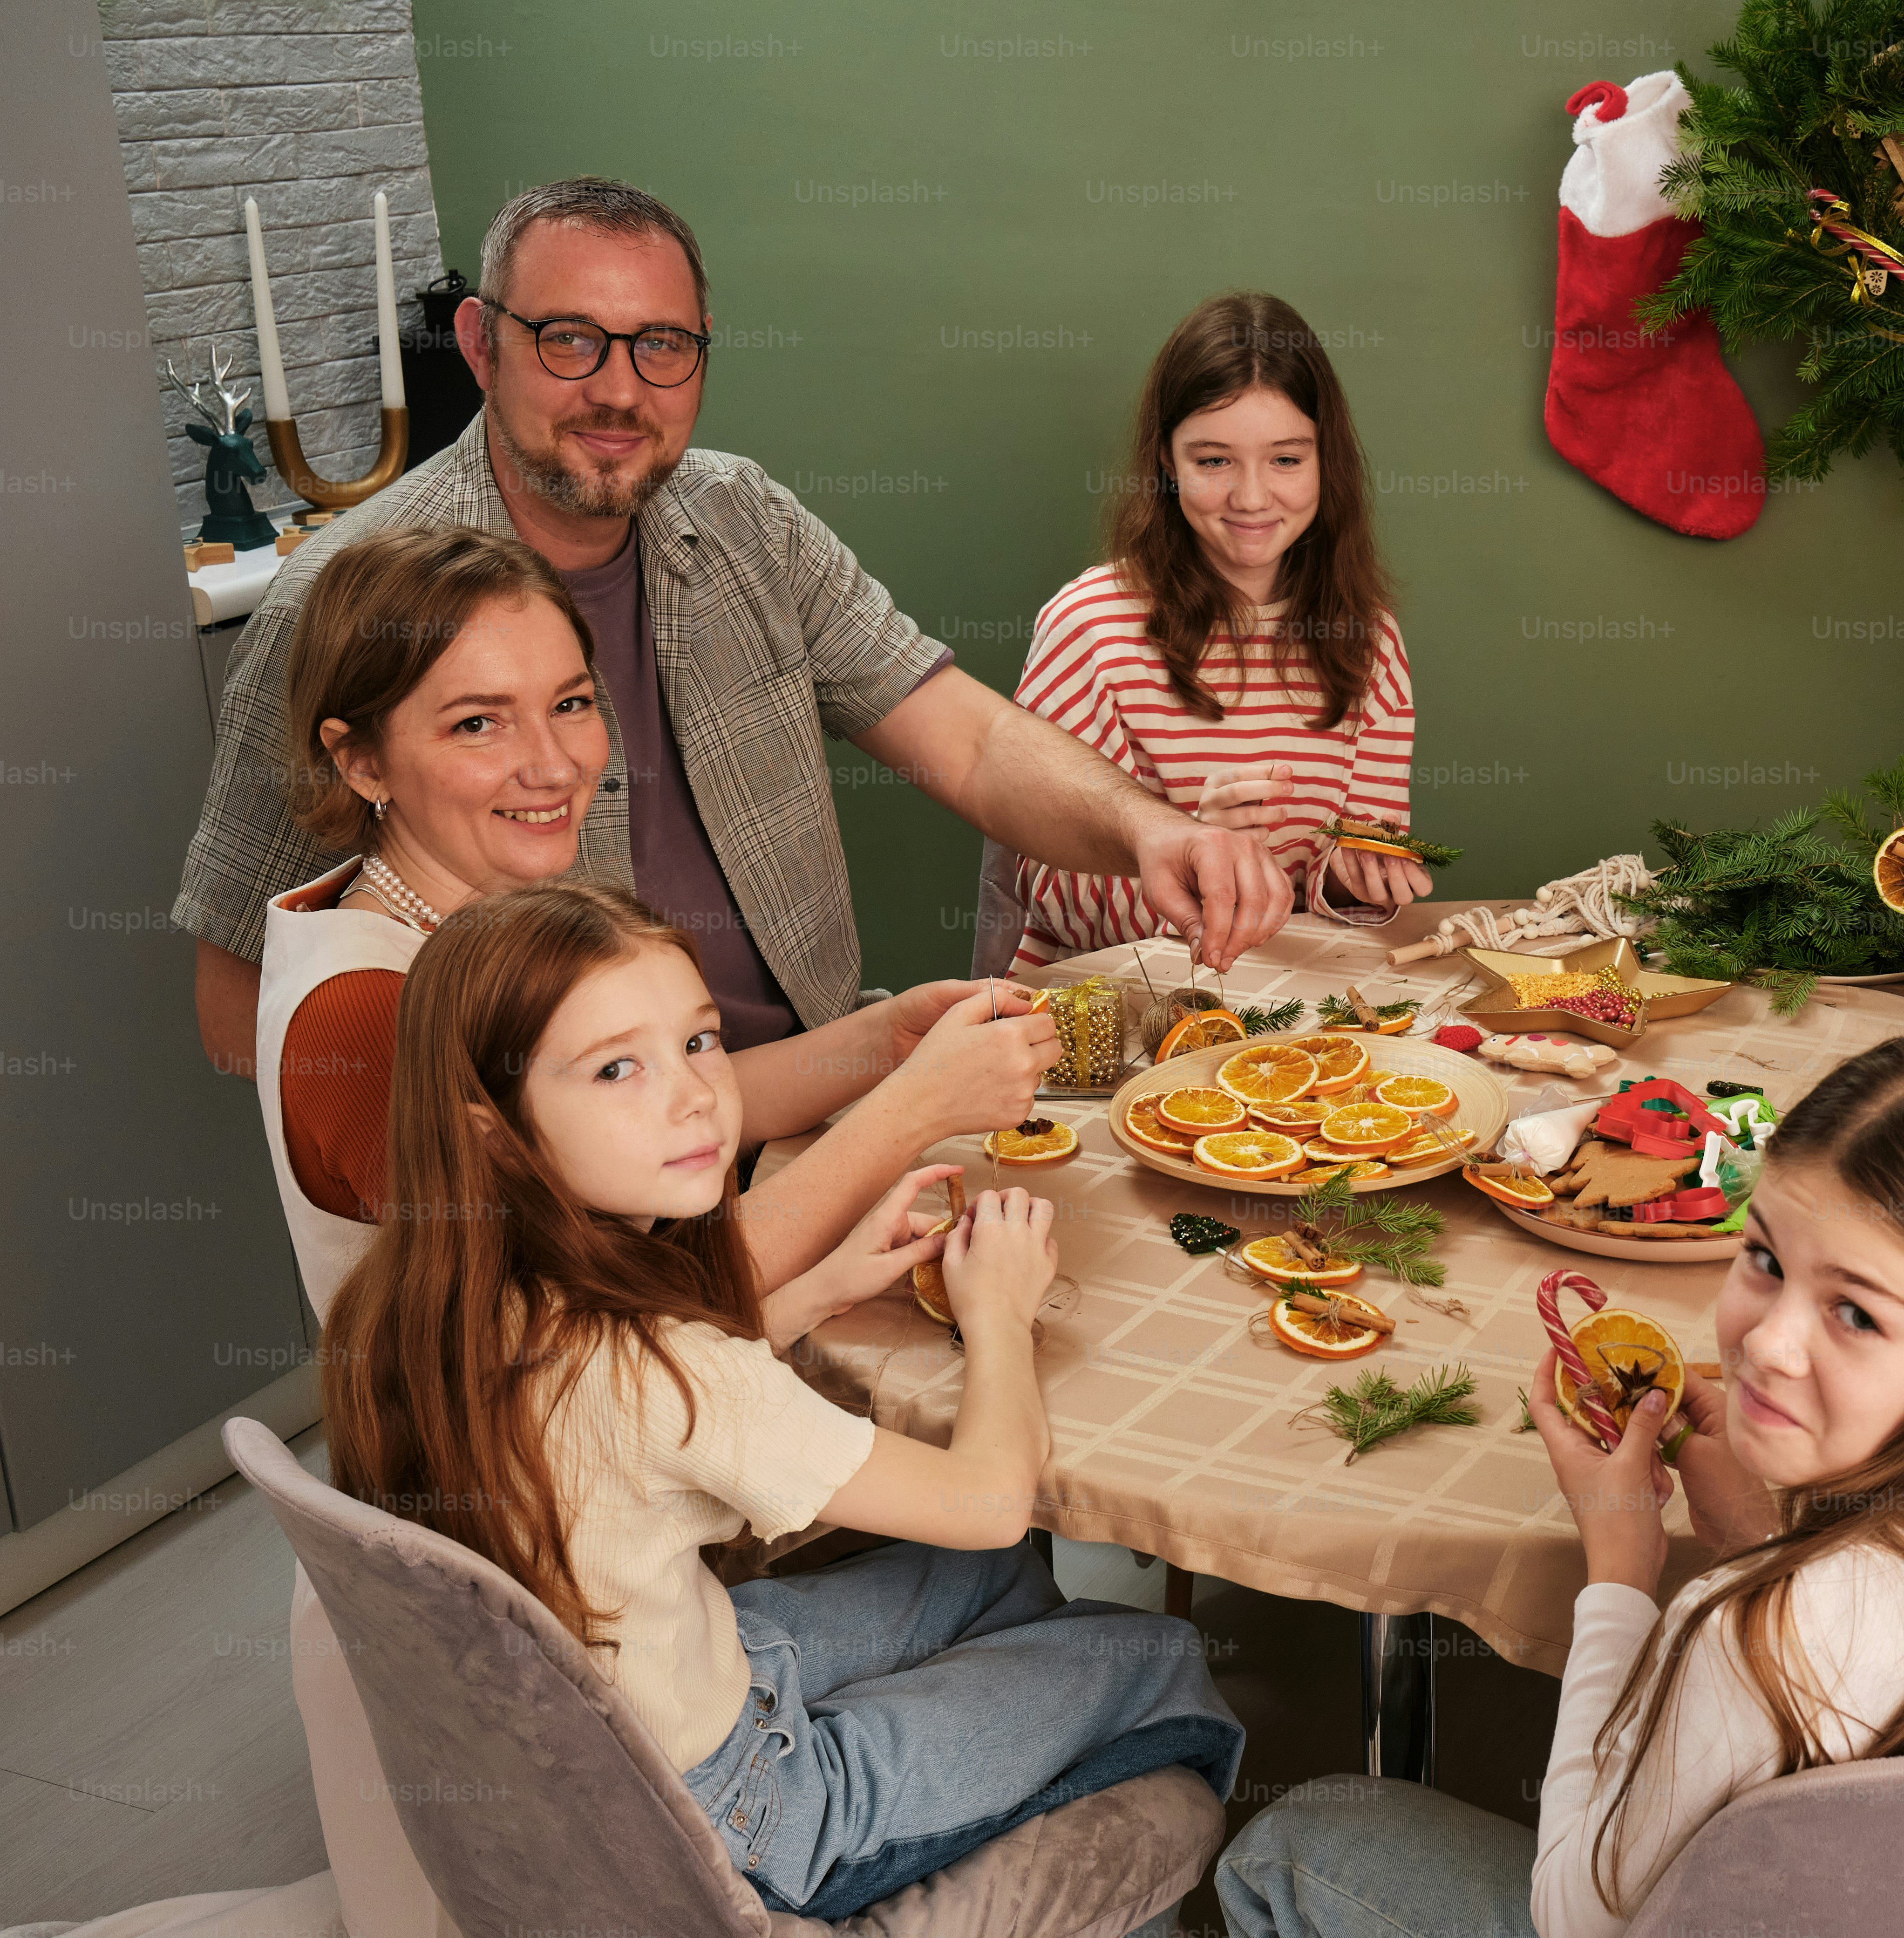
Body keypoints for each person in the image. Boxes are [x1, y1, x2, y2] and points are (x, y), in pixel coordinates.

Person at [182, 177, 1286, 1076]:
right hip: (593, 1195)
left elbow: (968, 738)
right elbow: (244, 1009)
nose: (620, 390)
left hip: (830, 1086)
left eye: (662, 344)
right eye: (571, 339)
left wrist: (1154, 834)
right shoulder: (348, 596)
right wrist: (516, 1134)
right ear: (480, 344)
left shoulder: (745, 515)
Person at [321, 882, 1244, 1918]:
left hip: (643, 1708)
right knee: (1152, 1647)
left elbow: (639, 1428)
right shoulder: (665, 1368)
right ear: (496, 1135)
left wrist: (826, 1286)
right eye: (619, 1067)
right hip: (745, 1809)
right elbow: (990, 1503)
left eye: (701, 1042)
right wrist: (998, 1315)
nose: (695, 1097)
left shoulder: (421, 1299)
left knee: (976, 1586)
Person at [1213, 1030, 1904, 1938]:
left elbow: (1575, 1912)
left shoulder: (1759, 1636)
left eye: (1856, 1312)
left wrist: (1621, 1574)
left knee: (1293, 1841)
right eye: (1765, 1259)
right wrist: (1761, 1537)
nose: (1766, 1341)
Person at [258, 525, 1057, 1315]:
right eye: (478, 722)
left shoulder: (471, 920)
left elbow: (634, 1108)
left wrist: (881, 1044)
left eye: (570, 704)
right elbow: (607, 1325)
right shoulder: (364, 1010)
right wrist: (914, 1108)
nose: (555, 765)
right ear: (359, 760)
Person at [1010, 291, 1421, 968]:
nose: (1253, 498)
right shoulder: (1089, 627)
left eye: (1287, 460)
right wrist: (1191, 850)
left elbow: (1326, 900)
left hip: (1282, 1006)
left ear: (1327, 461)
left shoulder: (1370, 638)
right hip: (1110, 1005)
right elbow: (1059, 908)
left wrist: (1350, 882)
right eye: (1213, 461)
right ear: (1168, 463)